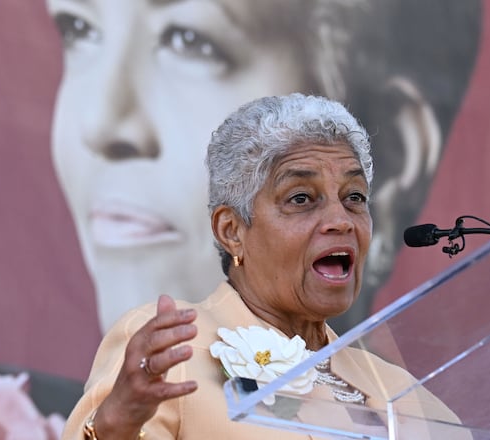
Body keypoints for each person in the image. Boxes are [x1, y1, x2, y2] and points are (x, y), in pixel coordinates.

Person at [45, 0, 482, 334]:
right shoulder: (10, 412)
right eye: (79, 28)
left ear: (390, 159)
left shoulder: (411, 417)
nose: (98, 122)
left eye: (190, 40)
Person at [61, 94, 467, 439]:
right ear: (232, 230)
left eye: (354, 197)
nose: (341, 220)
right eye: (301, 198)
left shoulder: (398, 389)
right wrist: (115, 427)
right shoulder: (174, 350)